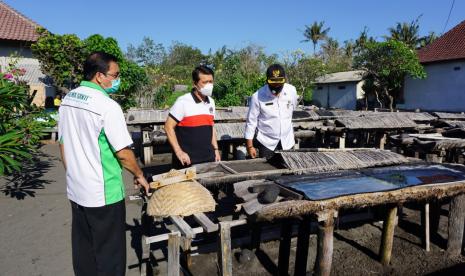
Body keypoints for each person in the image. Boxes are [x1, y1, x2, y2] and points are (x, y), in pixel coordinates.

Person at [58, 51, 150, 276]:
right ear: (100, 76)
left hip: (76, 189)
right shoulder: (106, 106)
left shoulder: (69, 99)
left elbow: (62, 144)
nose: (117, 80)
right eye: (115, 75)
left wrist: (74, 174)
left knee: (84, 250)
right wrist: (139, 175)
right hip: (103, 193)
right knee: (110, 255)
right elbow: (123, 153)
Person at [164, 65, 221, 169]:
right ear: (195, 83)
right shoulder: (183, 101)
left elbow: (211, 126)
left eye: (211, 81)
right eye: (205, 82)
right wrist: (179, 152)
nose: (209, 85)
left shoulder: (211, 102)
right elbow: (168, 127)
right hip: (188, 161)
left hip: (208, 158)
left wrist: (216, 150)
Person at [245, 64, 298, 159]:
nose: (277, 86)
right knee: (269, 172)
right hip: (267, 143)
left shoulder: (291, 91)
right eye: (273, 83)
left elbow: (293, 108)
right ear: (267, 80)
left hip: (287, 141)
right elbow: (251, 122)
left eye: (279, 82)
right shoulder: (257, 96)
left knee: (289, 171)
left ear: (284, 80)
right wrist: (250, 146)